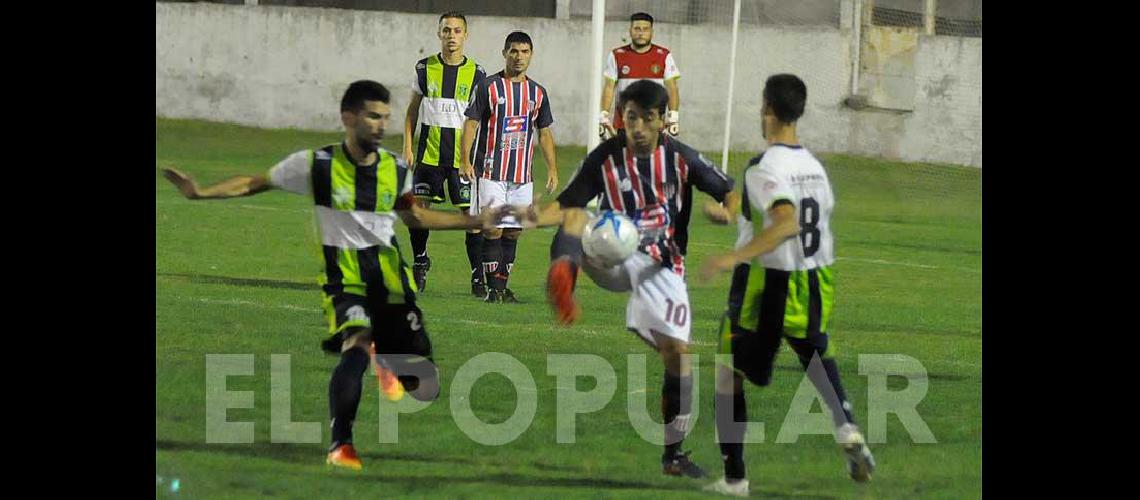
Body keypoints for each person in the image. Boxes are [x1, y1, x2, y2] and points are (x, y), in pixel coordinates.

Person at [161, 80, 500, 471]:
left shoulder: (396, 168)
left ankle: (390, 361)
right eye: (373, 116)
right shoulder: (316, 165)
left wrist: (472, 220)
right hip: (344, 279)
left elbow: (416, 216)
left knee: (424, 385)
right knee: (355, 348)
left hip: (390, 279)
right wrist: (200, 193)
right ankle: (341, 445)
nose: (380, 125)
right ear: (348, 118)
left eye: (385, 118)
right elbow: (255, 182)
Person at [512, 80, 739, 479]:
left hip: (662, 264)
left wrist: (727, 212)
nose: (636, 127)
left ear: (663, 120)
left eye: (646, 119)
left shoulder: (682, 158)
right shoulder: (605, 157)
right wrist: (529, 219)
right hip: (613, 250)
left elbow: (729, 190)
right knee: (577, 216)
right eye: (630, 117)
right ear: (622, 117)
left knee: (679, 357)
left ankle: (673, 455)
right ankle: (563, 275)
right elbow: (566, 204)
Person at [698, 74, 876, 496]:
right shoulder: (814, 167)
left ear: (769, 111)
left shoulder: (765, 166)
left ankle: (735, 478)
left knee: (728, 372)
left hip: (767, 284)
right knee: (814, 351)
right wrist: (732, 216)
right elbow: (778, 207)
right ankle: (846, 425)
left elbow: (785, 220)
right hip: (816, 278)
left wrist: (732, 256)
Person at [460, 31, 559, 303]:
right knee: (493, 228)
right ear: (504, 53)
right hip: (490, 172)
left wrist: (552, 169)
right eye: (514, 51)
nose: (519, 57)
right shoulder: (488, 87)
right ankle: (494, 290)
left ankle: (501, 287)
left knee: (514, 231)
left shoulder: (537, 92)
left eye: (524, 52)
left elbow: (545, 132)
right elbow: (471, 124)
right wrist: (464, 159)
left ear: (531, 55)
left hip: (521, 176)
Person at [403, 11, 488, 296]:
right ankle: (420, 261)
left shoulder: (477, 74)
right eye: (447, 30)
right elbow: (412, 110)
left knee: (471, 216)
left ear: (466, 35)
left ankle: (477, 276)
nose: (452, 36)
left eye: (457, 31)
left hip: (461, 161)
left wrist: (474, 157)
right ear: (439, 34)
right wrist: (407, 146)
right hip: (428, 156)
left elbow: (478, 121)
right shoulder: (424, 68)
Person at [599, 12, 681, 141]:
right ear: (630, 31)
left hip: (654, 123)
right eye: (637, 29)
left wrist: (673, 117)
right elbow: (609, 87)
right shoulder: (617, 55)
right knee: (624, 160)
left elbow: (672, 88)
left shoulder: (664, 55)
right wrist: (603, 115)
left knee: (654, 161)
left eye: (645, 29)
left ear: (651, 32)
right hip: (624, 123)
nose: (641, 33)